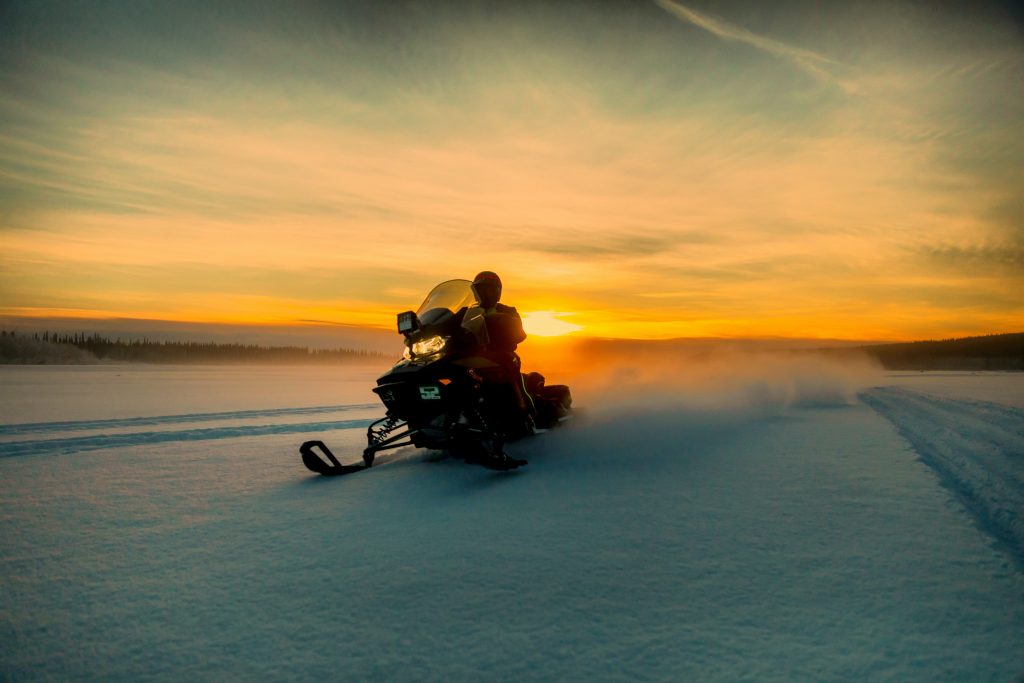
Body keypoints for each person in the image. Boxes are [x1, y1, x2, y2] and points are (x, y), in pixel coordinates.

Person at [468, 271, 535, 427]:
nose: (484, 293)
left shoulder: (507, 311)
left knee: (513, 378)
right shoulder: (468, 312)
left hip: (502, 354)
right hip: (474, 356)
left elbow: (520, 333)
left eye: (489, 289)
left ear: (497, 291)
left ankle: (528, 415)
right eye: (480, 289)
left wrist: (501, 320)